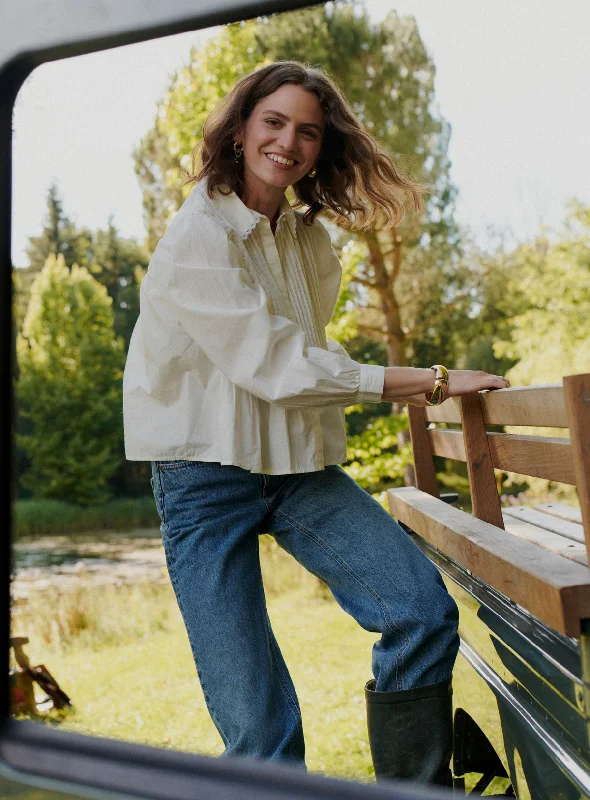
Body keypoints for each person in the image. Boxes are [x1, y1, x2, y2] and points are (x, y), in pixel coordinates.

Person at [123, 60, 509, 787]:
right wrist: (427, 381)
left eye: (308, 131)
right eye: (274, 123)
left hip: (297, 470)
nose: (289, 142)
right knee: (262, 730)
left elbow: (306, 355)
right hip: (203, 477)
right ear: (240, 130)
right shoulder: (197, 237)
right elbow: (281, 366)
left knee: (421, 610)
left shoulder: (307, 242)